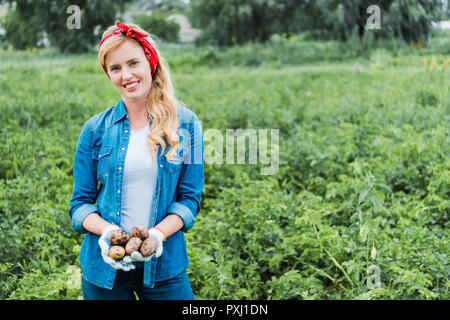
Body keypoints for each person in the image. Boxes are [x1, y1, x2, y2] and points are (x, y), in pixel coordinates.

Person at [69, 22, 204, 300]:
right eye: (115, 68)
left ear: (150, 63)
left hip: (165, 269)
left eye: (133, 63)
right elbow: (80, 204)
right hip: (104, 271)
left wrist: (157, 235)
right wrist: (107, 233)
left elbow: (190, 199)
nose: (126, 75)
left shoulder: (187, 125)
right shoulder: (94, 129)